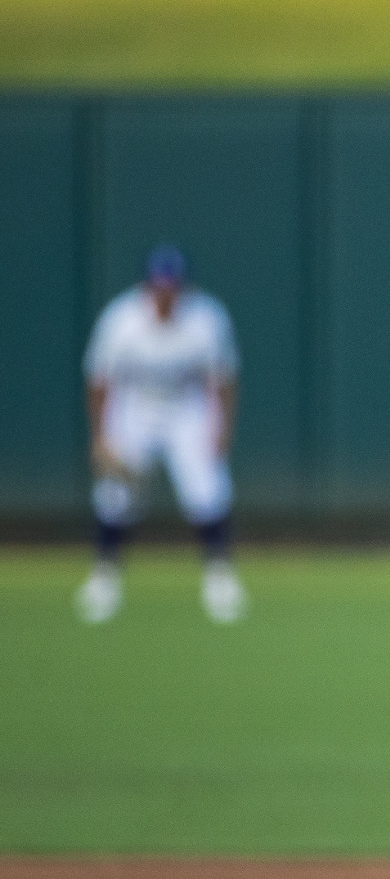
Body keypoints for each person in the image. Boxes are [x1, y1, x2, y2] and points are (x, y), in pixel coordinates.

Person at [75, 245, 246, 625]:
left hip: (186, 407)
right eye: (160, 285)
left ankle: (220, 579)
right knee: (116, 494)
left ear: (182, 287)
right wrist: (100, 435)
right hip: (134, 406)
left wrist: (221, 428)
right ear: (148, 286)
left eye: (173, 285)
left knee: (206, 488)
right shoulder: (122, 319)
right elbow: (100, 379)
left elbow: (223, 378)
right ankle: (104, 579)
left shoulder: (205, 318)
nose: (166, 292)